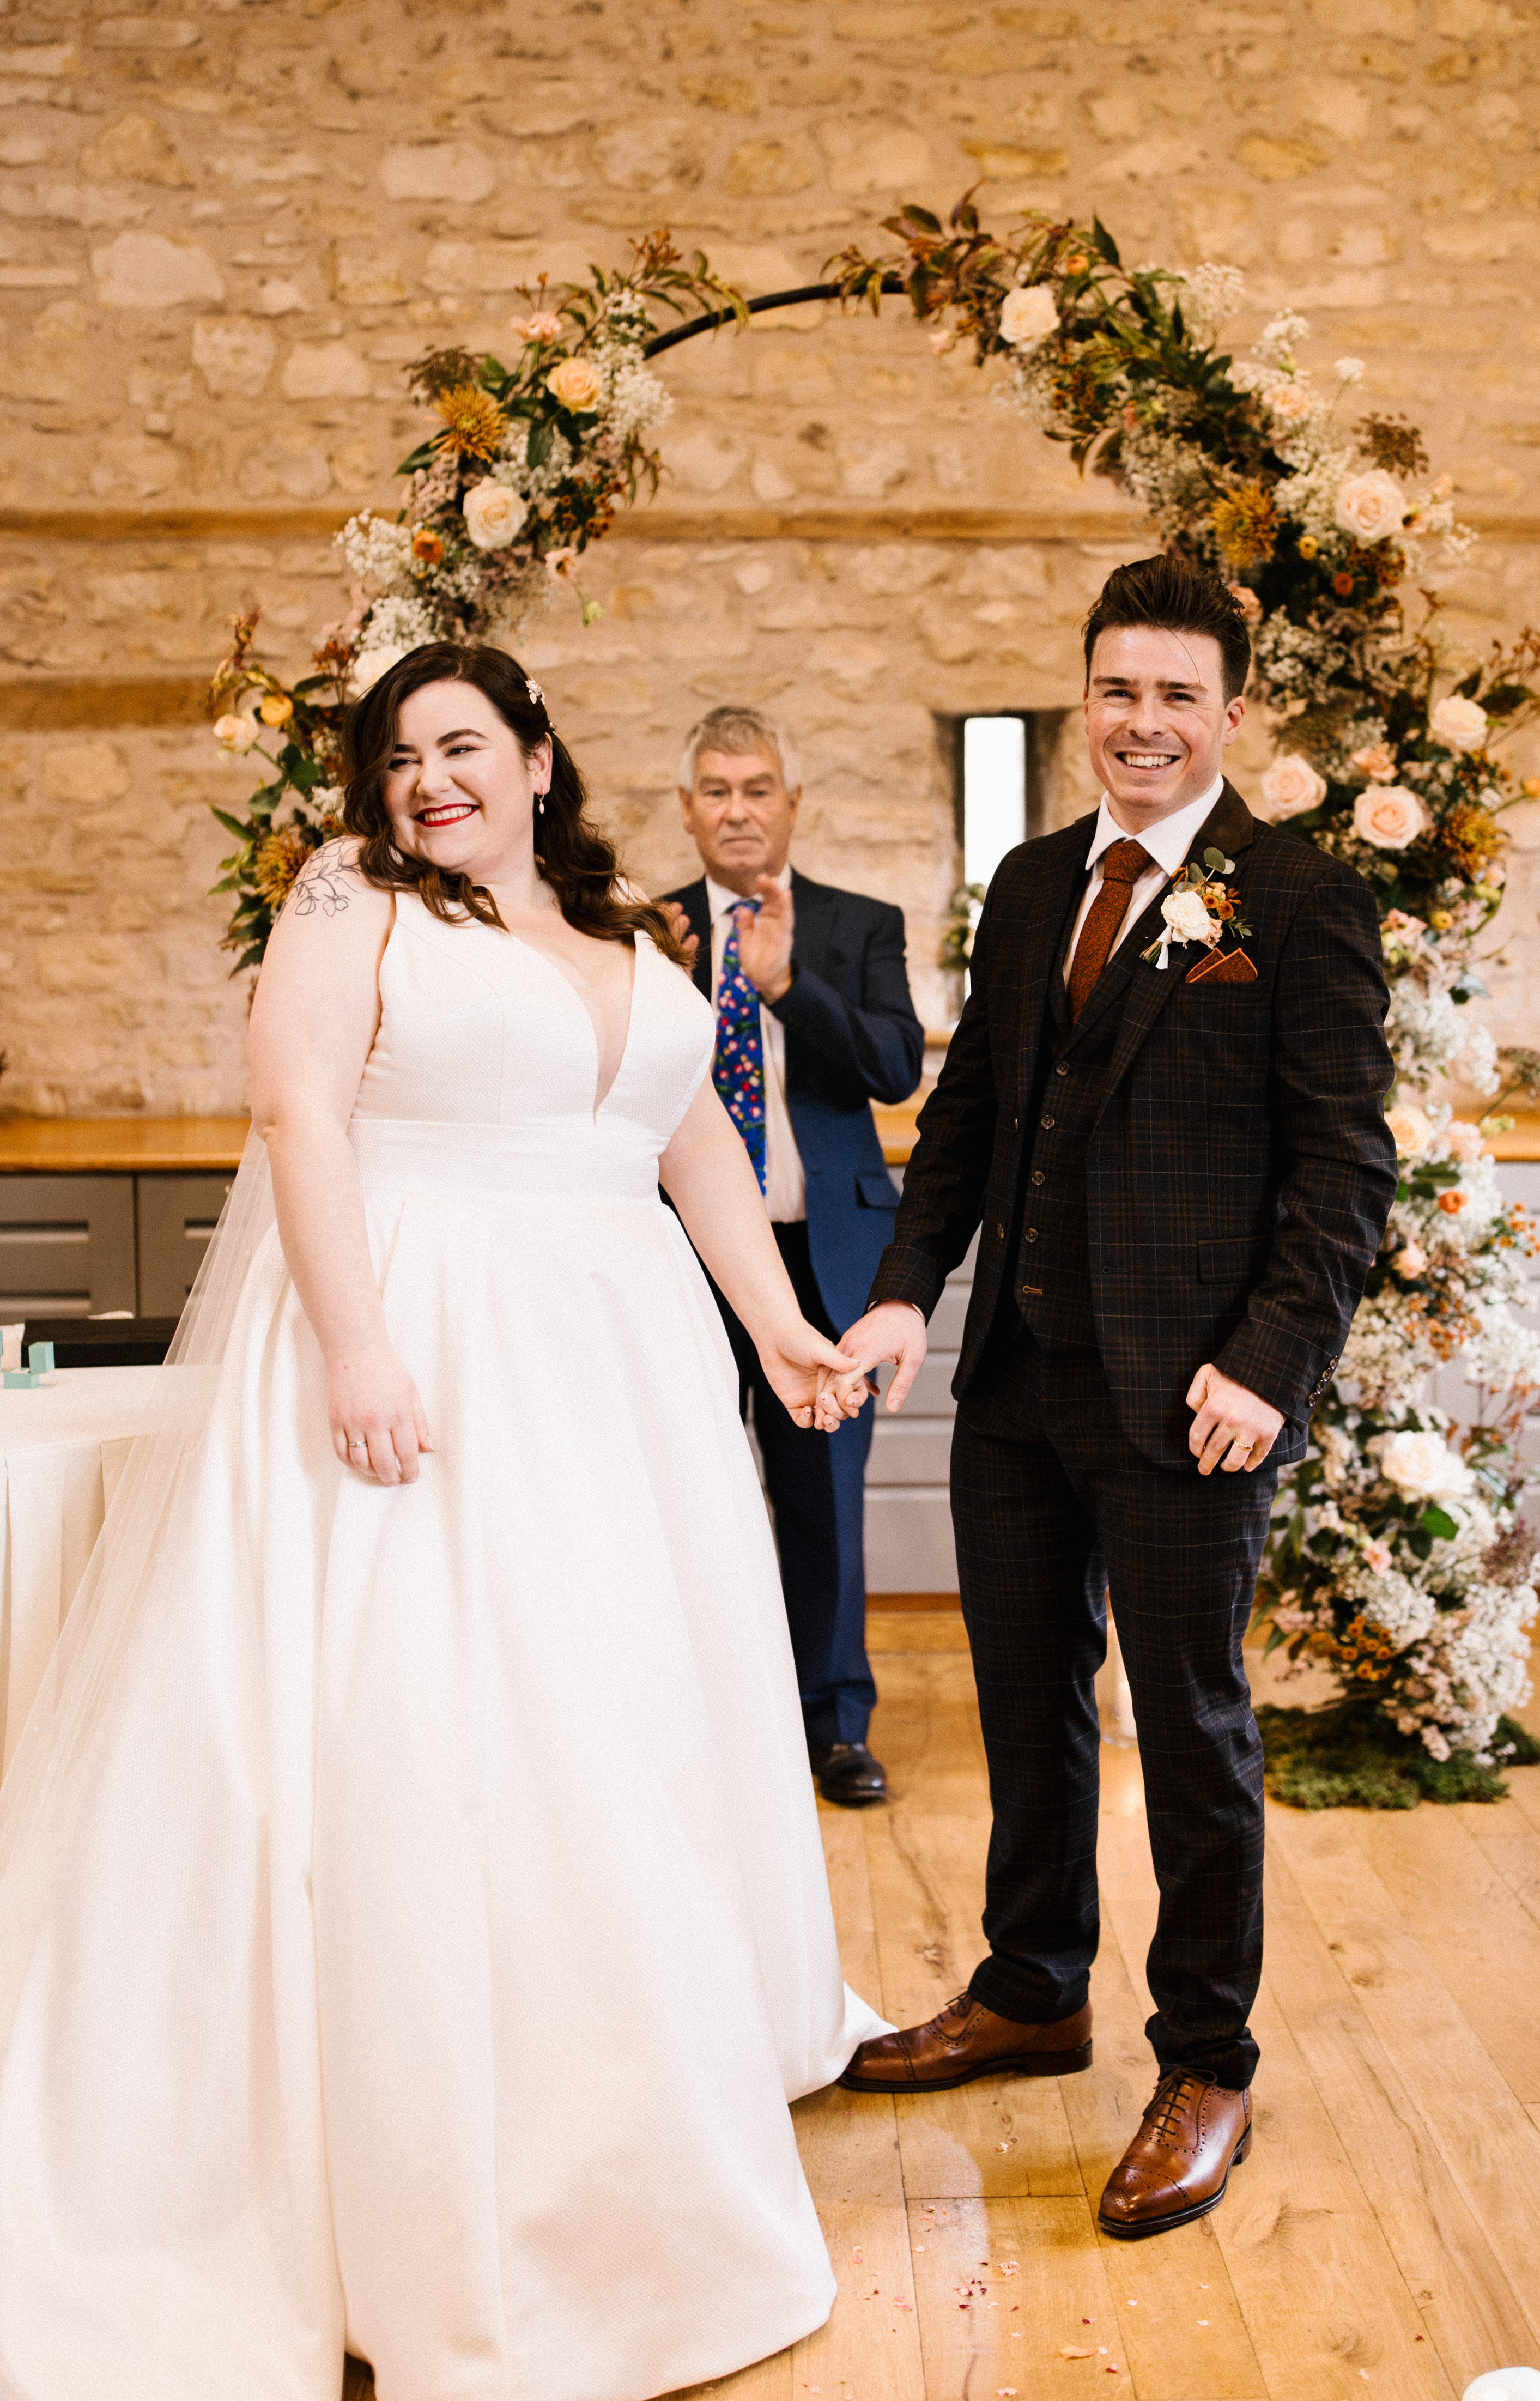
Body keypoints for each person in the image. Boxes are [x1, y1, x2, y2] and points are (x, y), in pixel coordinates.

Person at [0, 642, 891, 2399]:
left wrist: (782, 1325)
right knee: (443, 1727)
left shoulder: (630, 932)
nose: (431, 780)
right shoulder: (355, 894)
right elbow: (295, 1109)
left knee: (609, 1724)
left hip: (619, 1386)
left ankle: (620, 2116)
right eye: (401, 754)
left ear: (540, 759)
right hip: (429, 1344)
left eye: (465, 743)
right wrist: (355, 1341)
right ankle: (423, 2160)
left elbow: (693, 1142)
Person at [832, 559, 1397, 2239]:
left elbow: (1344, 1169)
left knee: (1195, 1727)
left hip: (1191, 1400)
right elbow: (966, 1120)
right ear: (1085, 698)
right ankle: (1032, 1985)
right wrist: (899, 1292)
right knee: (1026, 1706)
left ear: (1232, 712)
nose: (1142, 723)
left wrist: (1269, 1364)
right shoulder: (1025, 887)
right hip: (1016, 1382)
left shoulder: (1294, 899)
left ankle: (1207, 2058)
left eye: (1175, 694)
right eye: (1116, 689)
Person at [658, 707, 924, 1808]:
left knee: (824, 1503)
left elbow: (896, 1066)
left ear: (792, 803)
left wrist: (785, 986)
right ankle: (699, 1721)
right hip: (681, 1259)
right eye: (716, 790)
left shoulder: (859, 924)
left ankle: (832, 1726)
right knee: (685, 1491)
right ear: (687, 810)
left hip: (826, 1256)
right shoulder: (643, 929)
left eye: (756, 787)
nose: (737, 810)